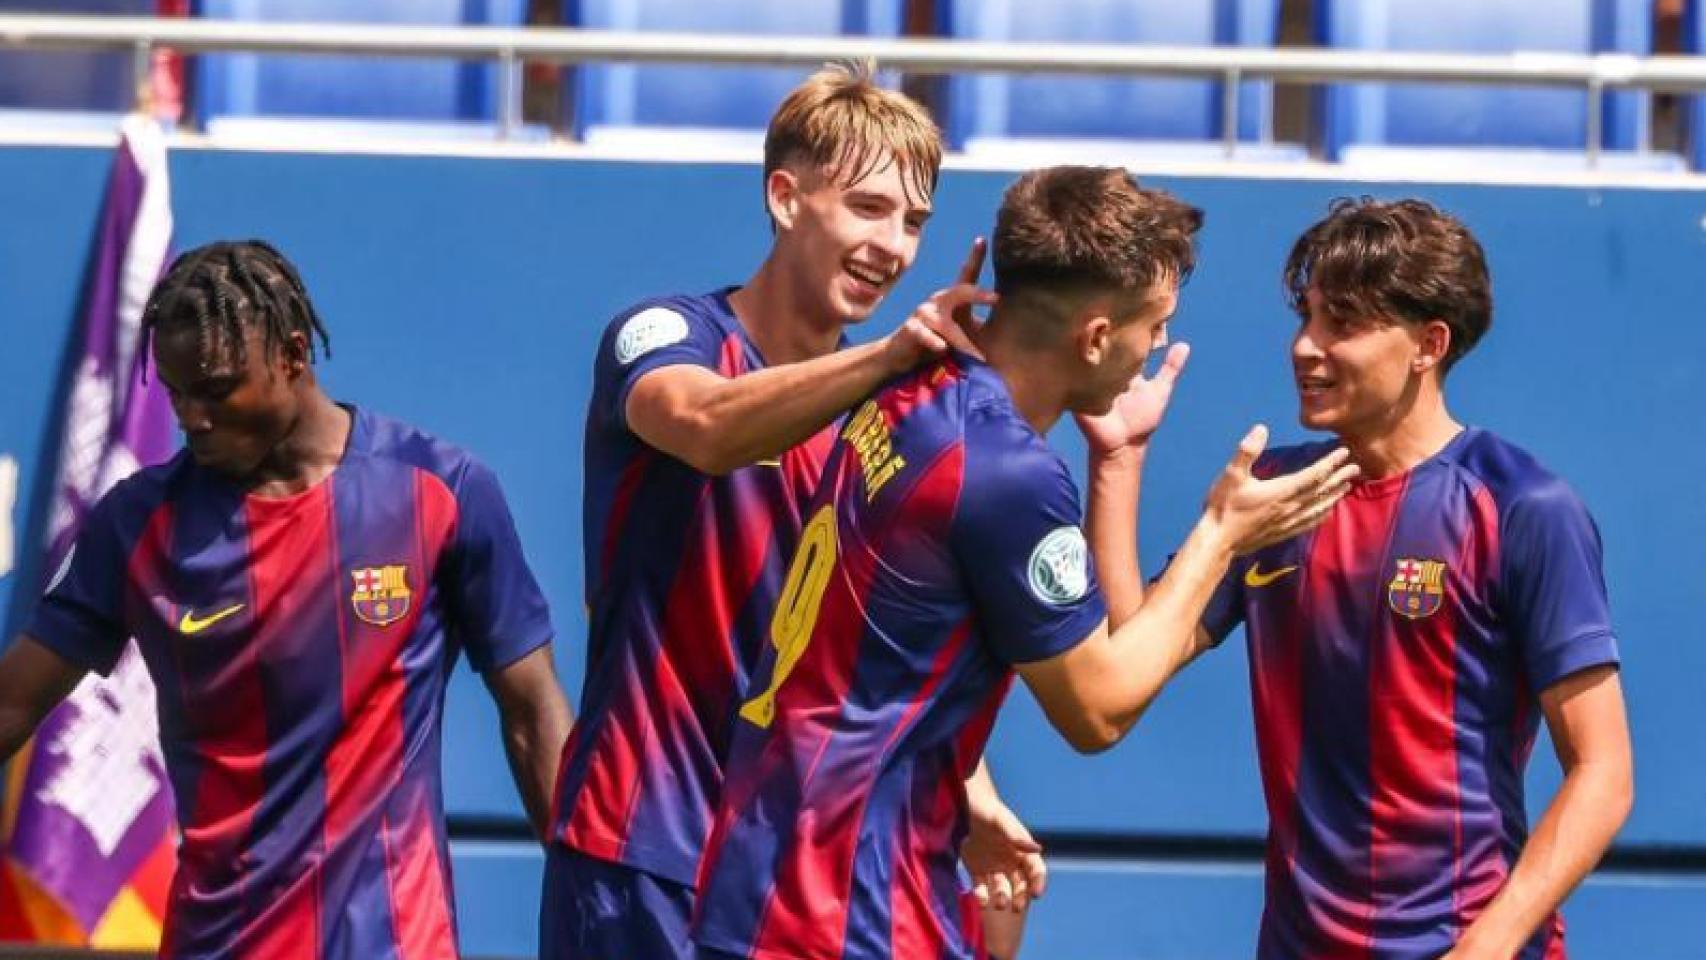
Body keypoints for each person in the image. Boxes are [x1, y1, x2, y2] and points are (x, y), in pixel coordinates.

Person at [691, 165, 1357, 960]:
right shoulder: (1006, 473)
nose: (1155, 351)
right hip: (845, 907)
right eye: (1153, 327)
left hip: (761, 872)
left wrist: (1117, 462)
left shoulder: (909, 377)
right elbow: (1097, 711)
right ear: (1097, 337)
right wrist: (1221, 533)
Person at [542, 63, 1038, 959]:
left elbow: (887, 636)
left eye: (914, 221)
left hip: (781, 876)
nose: (893, 245)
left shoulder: (892, 419)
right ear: (784, 196)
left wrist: (977, 790)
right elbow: (700, 425)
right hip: (638, 847)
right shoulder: (663, 335)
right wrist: (892, 358)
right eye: (868, 207)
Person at [0, 240, 573, 957]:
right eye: (176, 393)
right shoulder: (137, 522)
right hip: (219, 940)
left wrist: (590, 896)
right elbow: (11, 702)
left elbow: (531, 710)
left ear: (294, 356)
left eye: (216, 389)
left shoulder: (443, 490)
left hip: (397, 940)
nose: (192, 417)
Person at [1192, 198, 1632, 959]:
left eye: (1344, 324)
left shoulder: (1523, 507)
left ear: (1430, 345)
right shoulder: (1271, 494)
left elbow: (1604, 771)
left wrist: (1483, 949)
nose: (1306, 347)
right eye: (1308, 317)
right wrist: (1117, 459)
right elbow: (1117, 672)